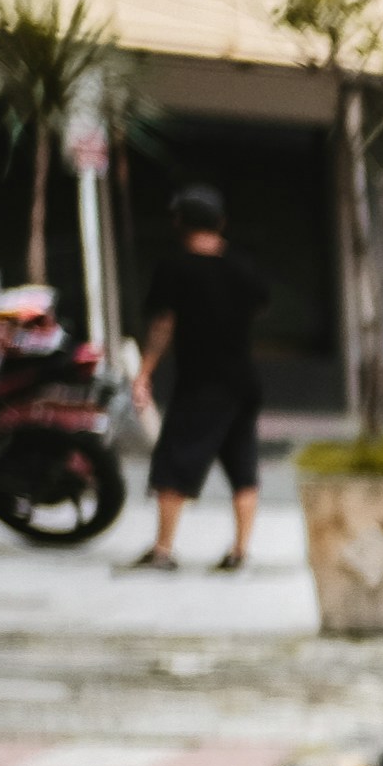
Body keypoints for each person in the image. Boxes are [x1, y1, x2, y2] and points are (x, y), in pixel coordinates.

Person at [130, 186, 272, 572]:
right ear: (220, 223)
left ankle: (162, 551)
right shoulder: (242, 265)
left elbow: (163, 325)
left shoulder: (175, 268)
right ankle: (240, 552)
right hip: (243, 380)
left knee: (174, 461)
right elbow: (259, 305)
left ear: (179, 223)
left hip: (201, 382)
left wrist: (145, 372)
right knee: (243, 466)